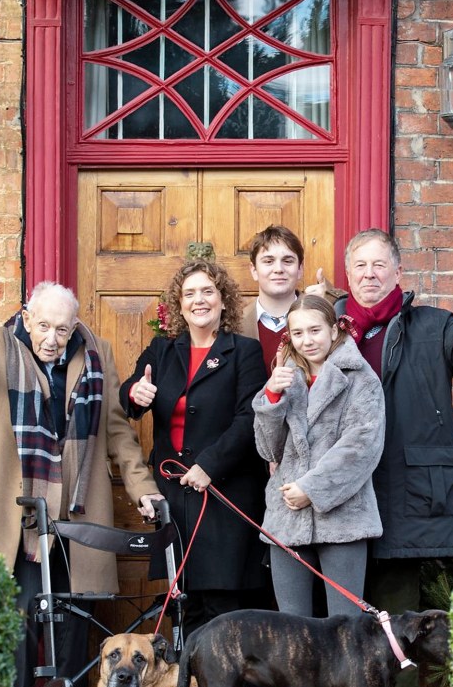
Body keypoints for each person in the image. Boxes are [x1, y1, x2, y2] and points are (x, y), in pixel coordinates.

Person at [0, 282, 162, 687]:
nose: (52, 337)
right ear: (27, 318)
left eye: (62, 329)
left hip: (79, 509)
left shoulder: (97, 350)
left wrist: (143, 487)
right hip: (19, 506)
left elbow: (118, 430)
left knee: (71, 616)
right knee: (22, 616)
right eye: (44, 326)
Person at [316, 228, 453, 687]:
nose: (369, 274)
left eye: (380, 265)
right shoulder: (328, 329)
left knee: (396, 617)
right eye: (360, 266)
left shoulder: (431, 325)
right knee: (335, 617)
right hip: (337, 495)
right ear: (348, 275)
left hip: (403, 495)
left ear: (399, 273)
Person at [120, 259, 270, 635]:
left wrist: (209, 465)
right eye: (190, 294)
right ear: (179, 304)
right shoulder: (161, 350)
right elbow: (130, 394)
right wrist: (136, 393)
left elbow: (250, 418)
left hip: (225, 496)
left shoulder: (245, 352)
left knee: (227, 614)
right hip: (175, 498)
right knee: (184, 606)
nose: (198, 300)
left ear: (223, 301)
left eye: (208, 292)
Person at [252, 294, 385, 618]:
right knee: (292, 627)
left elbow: (361, 447)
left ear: (333, 329)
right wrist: (271, 397)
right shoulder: (286, 377)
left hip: (343, 518)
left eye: (315, 330)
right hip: (287, 518)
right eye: (298, 333)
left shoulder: (360, 378)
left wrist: (310, 489)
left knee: (346, 627)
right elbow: (269, 451)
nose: (307, 340)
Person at [241, 224, 305, 376]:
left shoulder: (321, 316)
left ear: (300, 269)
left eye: (288, 261)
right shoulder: (236, 325)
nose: (278, 269)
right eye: (268, 261)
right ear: (254, 270)